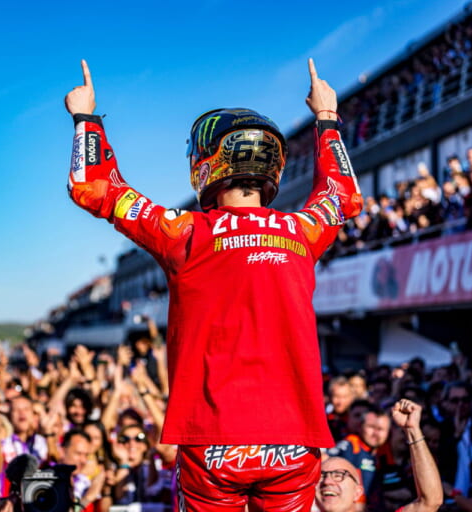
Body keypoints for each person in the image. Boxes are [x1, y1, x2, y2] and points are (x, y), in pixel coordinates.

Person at [65, 57, 362, 511]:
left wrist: (86, 117)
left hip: (212, 439)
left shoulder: (185, 232)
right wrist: (327, 118)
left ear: (207, 161)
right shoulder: (303, 231)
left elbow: (93, 186)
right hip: (295, 439)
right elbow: (343, 195)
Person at [315, 399, 442, 512]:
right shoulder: (351, 445)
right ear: (360, 427)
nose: (375, 434)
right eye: (371, 427)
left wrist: (412, 429)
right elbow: (326, 459)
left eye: (380, 429)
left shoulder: (381, 455)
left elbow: (430, 502)